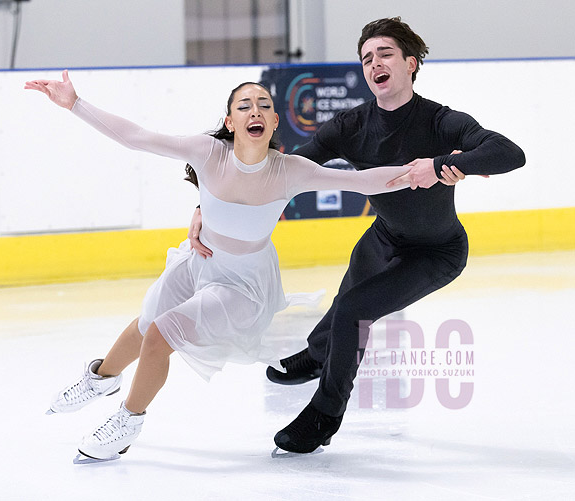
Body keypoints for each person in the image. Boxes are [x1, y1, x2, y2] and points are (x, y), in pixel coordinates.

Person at [24, 70, 417, 461]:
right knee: (145, 325)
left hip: (243, 286)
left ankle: (128, 421)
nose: (255, 111)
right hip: (200, 260)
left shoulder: (289, 170)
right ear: (230, 122)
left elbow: (364, 182)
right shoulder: (207, 153)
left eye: (264, 105)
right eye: (244, 106)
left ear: (274, 121)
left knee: (160, 335)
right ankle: (101, 379)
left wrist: (426, 171)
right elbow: (136, 138)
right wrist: (75, 103)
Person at [189, 17, 526, 454]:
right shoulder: (350, 126)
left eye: (385, 54)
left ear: (411, 63)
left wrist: (440, 164)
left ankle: (324, 417)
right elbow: (278, 171)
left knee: (352, 310)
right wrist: (207, 206)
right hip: (384, 237)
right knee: (347, 302)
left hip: (437, 252)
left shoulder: (441, 121)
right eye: (367, 58)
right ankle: (317, 354)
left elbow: (509, 153)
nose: (374, 64)